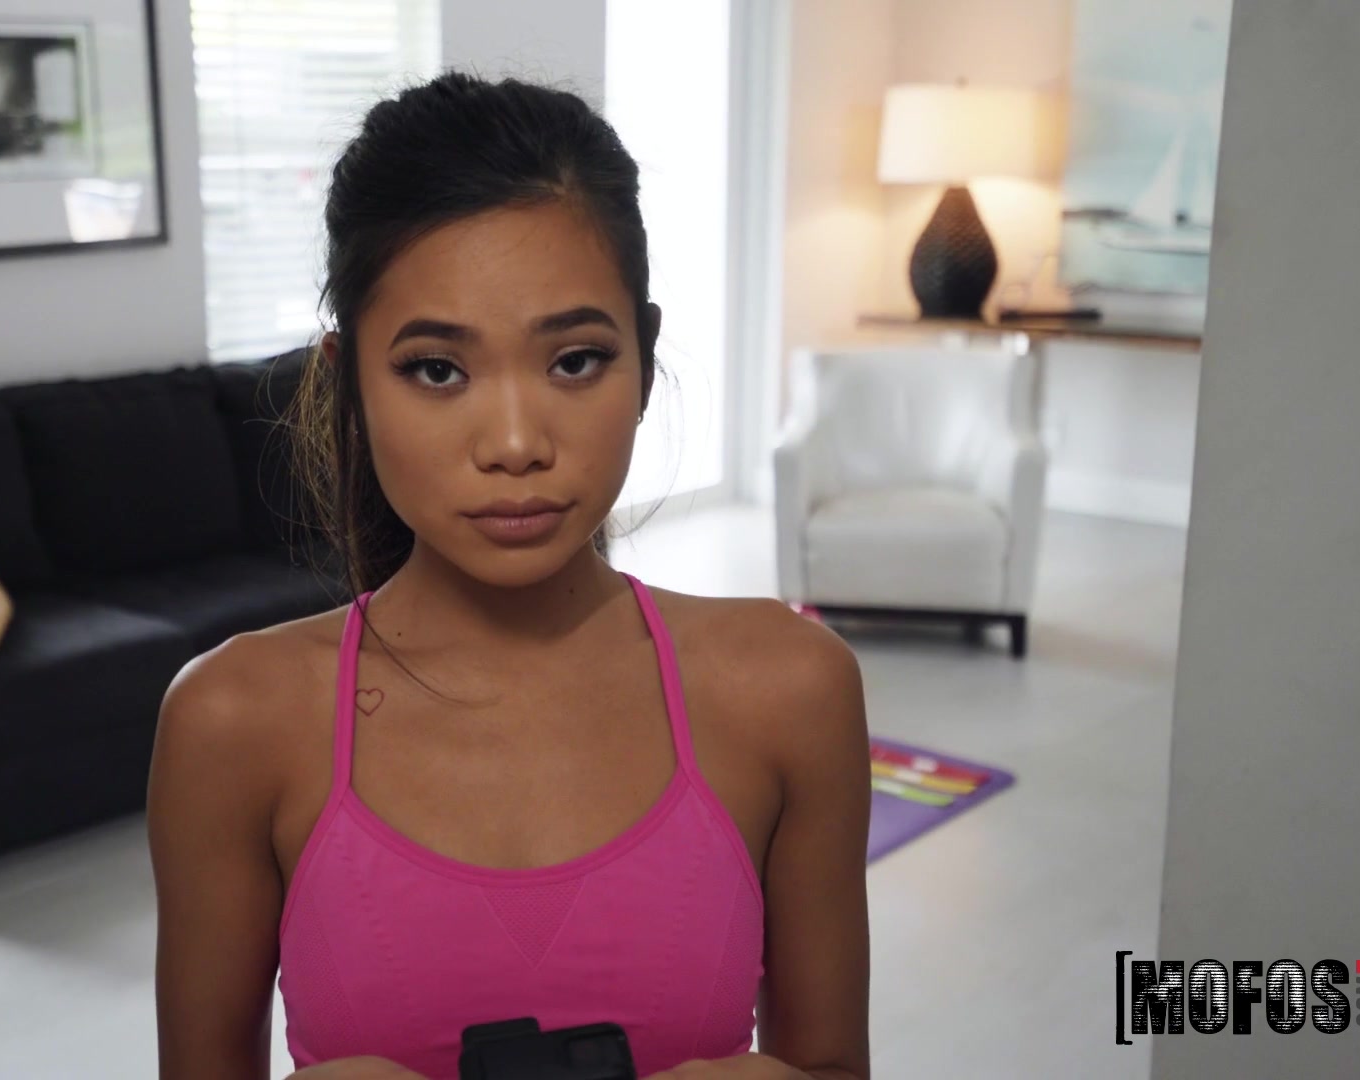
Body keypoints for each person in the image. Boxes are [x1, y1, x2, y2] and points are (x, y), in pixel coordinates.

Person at [147, 71, 870, 1080]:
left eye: (574, 361)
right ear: (349, 385)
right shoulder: (232, 723)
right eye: (437, 370)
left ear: (644, 359)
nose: (517, 443)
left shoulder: (791, 688)